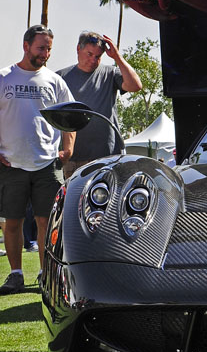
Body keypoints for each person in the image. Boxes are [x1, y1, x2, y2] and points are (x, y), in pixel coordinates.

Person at [0, 26, 75, 294]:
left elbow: (70, 119)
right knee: (13, 222)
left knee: (46, 221)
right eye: (41, 47)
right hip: (11, 163)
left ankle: (46, 274)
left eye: (49, 49)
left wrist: (67, 151)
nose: (45, 53)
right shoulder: (4, 78)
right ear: (26, 45)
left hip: (47, 164)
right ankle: (16, 275)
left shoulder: (55, 81)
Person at [58, 31, 142, 176]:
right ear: (78, 48)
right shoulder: (60, 77)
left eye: (98, 56)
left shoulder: (110, 74)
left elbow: (135, 86)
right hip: (72, 159)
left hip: (106, 157)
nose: (93, 60)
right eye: (89, 54)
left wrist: (117, 57)